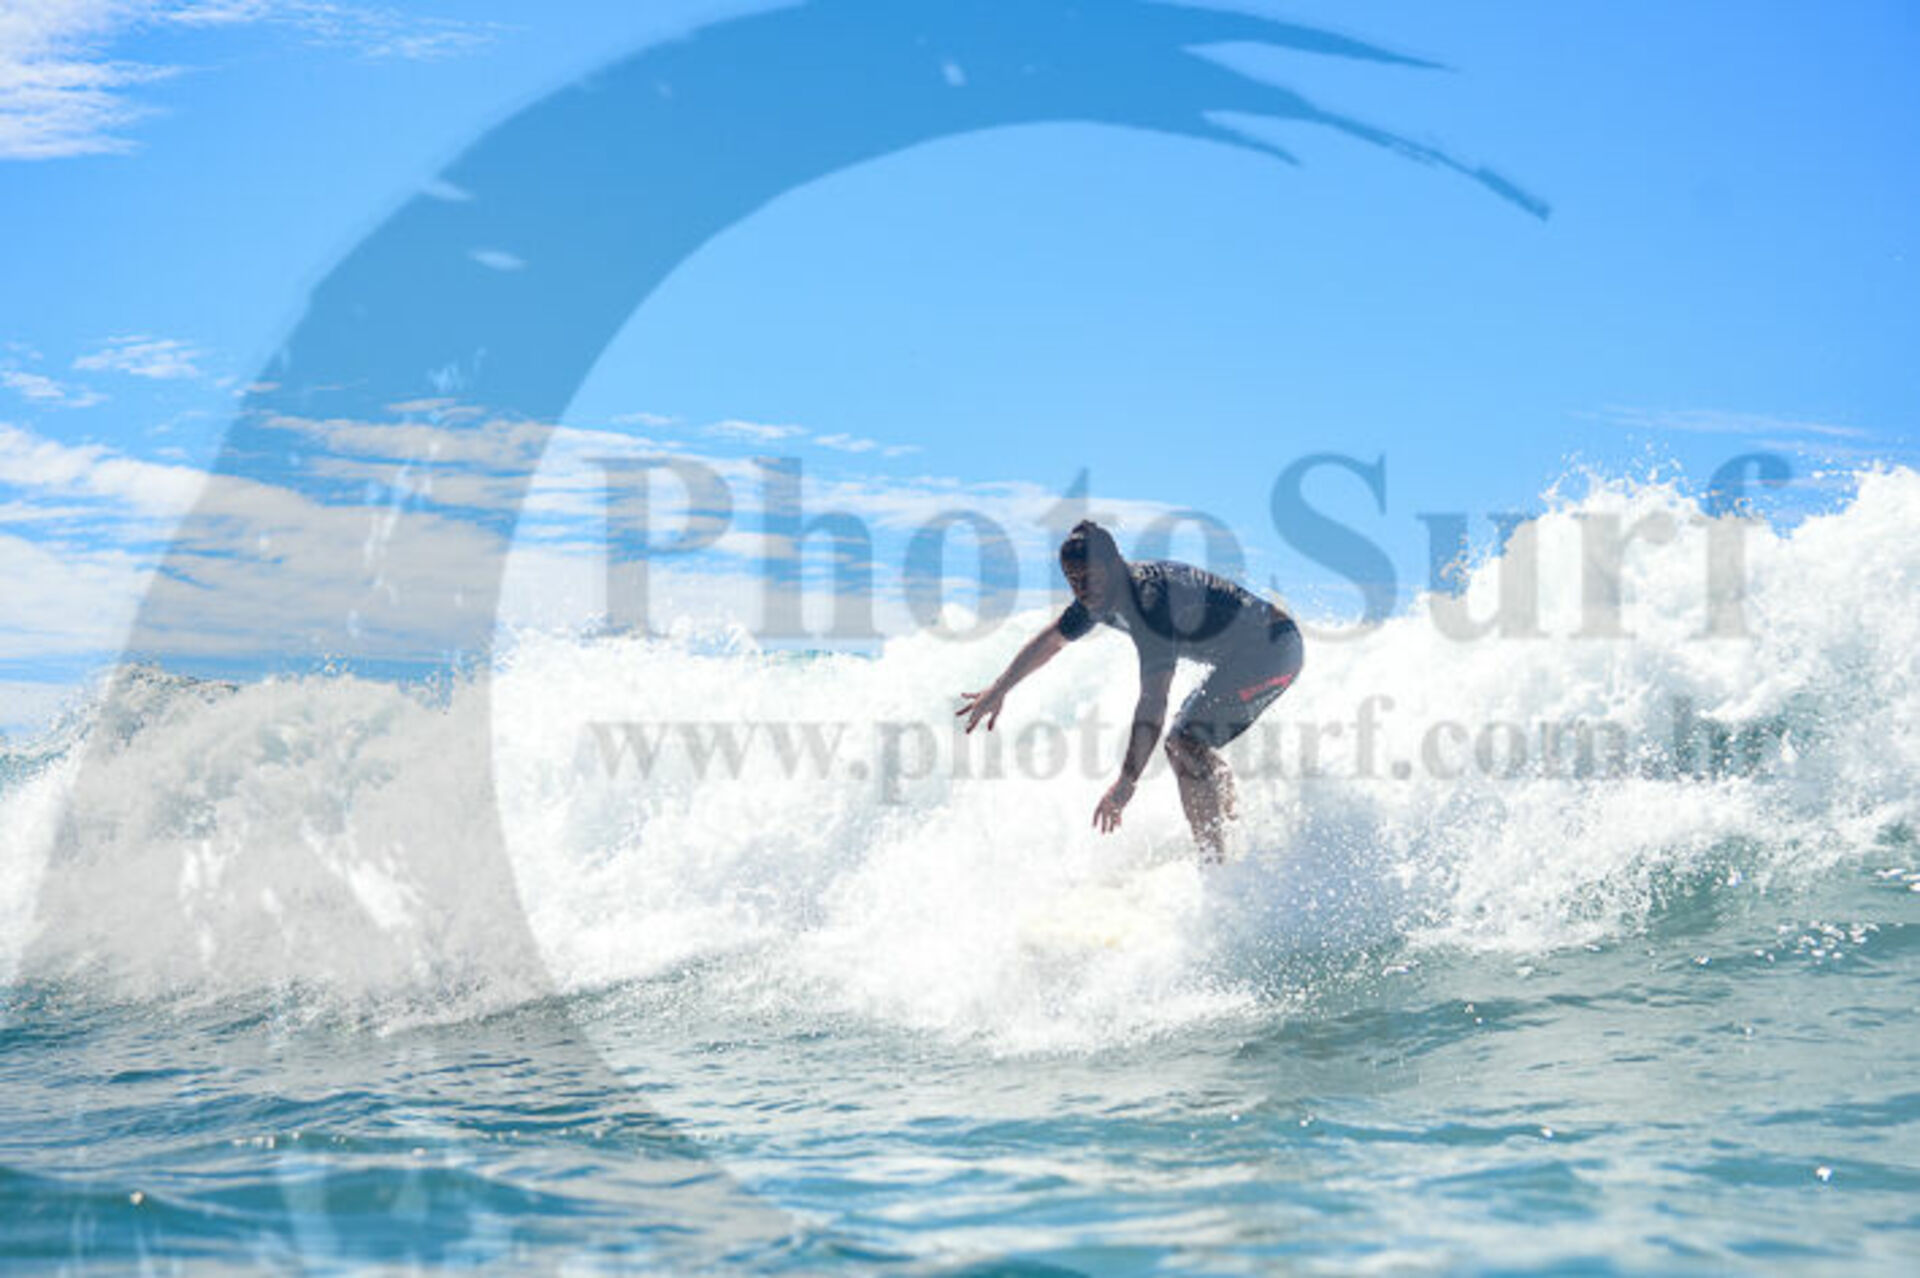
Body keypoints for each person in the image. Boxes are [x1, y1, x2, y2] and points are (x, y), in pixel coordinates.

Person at [957, 520, 1303, 861]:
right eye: (1073, 579)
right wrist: (999, 689)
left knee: (1184, 742)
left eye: (1090, 577)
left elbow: (1154, 700)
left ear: (1115, 564)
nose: (1082, 588)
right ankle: (1235, 834)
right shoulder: (1097, 599)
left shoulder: (1150, 601)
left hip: (1274, 649)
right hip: (1250, 654)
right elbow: (1051, 641)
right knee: (1190, 742)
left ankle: (1216, 862)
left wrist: (1126, 783)